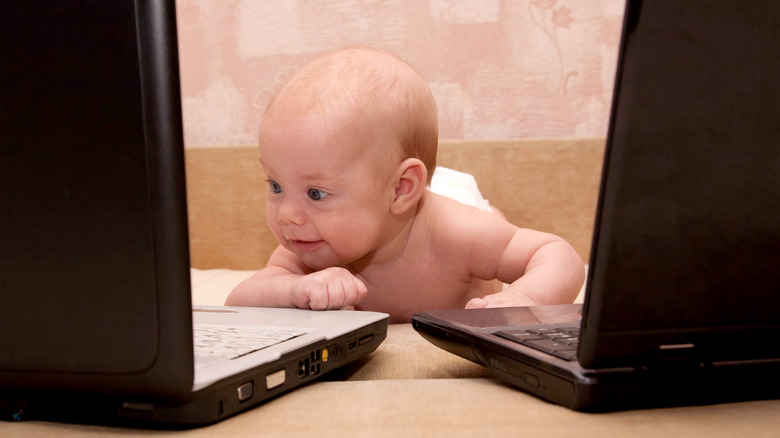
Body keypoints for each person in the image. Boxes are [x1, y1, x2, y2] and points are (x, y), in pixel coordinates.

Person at [225, 46, 585, 323]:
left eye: (316, 193)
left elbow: (558, 255)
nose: (287, 214)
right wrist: (293, 289)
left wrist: (524, 299)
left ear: (400, 189)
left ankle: (490, 211)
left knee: (490, 225)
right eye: (275, 185)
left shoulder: (456, 234)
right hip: (403, 202)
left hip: (451, 210)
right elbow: (240, 299)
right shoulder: (308, 249)